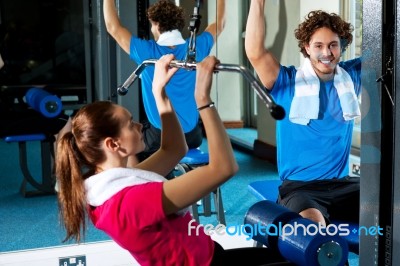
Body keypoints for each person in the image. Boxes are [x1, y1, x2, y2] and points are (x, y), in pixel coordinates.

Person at [55, 55, 288, 266]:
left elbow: (174, 149)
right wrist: (203, 100)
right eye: (130, 123)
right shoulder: (129, 202)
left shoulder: (110, 186)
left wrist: (160, 92)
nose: (139, 125)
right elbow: (224, 168)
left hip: (209, 255)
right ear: (113, 144)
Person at [245, 0, 361, 226]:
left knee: (390, 208)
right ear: (307, 47)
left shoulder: (351, 77)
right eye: (318, 45)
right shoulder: (286, 82)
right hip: (300, 188)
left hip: (344, 184)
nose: (326, 53)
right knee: (312, 227)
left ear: (342, 46)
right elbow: (255, 51)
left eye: (333, 45)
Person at [103, 0, 226, 165]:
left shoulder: (146, 51)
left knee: (128, 148)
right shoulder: (198, 46)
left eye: (152, 25)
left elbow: (113, 27)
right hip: (192, 136)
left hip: (159, 136)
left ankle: (137, 185)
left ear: (155, 23)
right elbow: (220, 23)